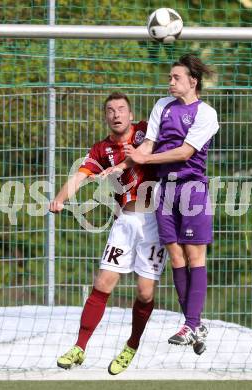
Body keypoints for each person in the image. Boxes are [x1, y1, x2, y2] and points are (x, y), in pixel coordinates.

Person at [50, 92, 167, 375]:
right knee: (102, 283)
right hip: (124, 223)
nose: (116, 114)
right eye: (111, 110)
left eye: (121, 109)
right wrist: (60, 198)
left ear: (130, 114)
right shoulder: (102, 149)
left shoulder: (145, 132)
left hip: (154, 223)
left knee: (145, 291)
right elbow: (80, 175)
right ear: (106, 117)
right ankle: (79, 347)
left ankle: (131, 345)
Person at [124, 54, 219, 355]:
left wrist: (145, 158)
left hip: (192, 188)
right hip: (165, 188)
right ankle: (194, 324)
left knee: (194, 256)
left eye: (176, 77)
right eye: (169, 77)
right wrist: (133, 156)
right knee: (176, 257)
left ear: (193, 81)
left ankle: (191, 325)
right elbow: (150, 143)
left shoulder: (206, 114)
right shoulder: (162, 106)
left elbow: (184, 152)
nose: (170, 82)